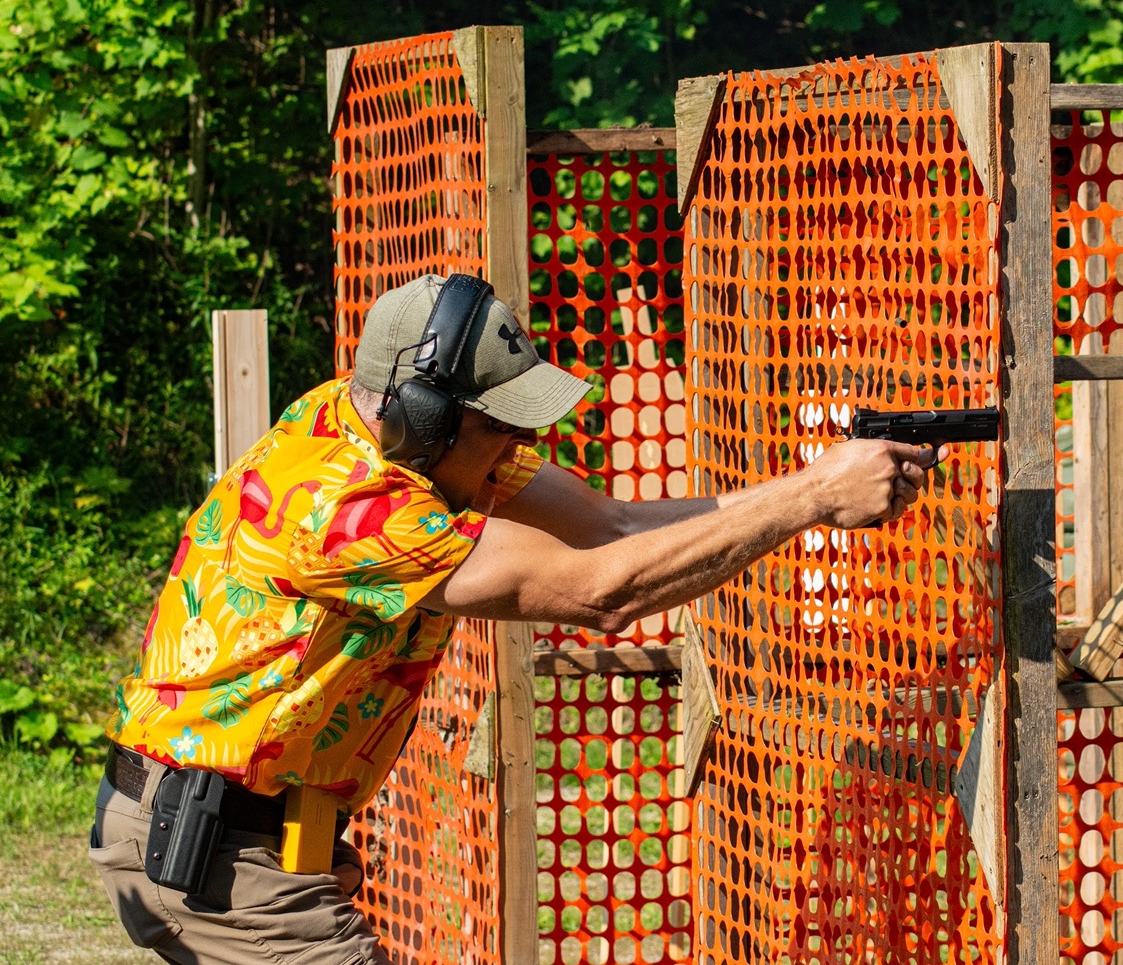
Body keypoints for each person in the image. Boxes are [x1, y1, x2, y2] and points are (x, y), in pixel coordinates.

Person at [90, 272, 941, 964]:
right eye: (499, 424)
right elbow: (602, 592)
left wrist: (817, 490)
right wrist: (812, 498)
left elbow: (613, 528)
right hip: (206, 846)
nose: (517, 445)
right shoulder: (343, 506)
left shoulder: (399, 431)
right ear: (425, 416)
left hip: (260, 835)